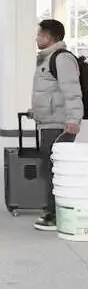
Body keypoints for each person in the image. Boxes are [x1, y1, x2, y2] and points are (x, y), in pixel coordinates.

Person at [31, 19, 83, 232]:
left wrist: (73, 119)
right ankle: (52, 211)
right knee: (49, 169)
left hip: (59, 125)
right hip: (48, 122)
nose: (36, 38)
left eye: (39, 34)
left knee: (55, 171)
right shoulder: (47, 58)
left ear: (48, 37)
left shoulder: (61, 59)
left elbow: (72, 91)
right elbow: (48, 92)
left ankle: (54, 215)